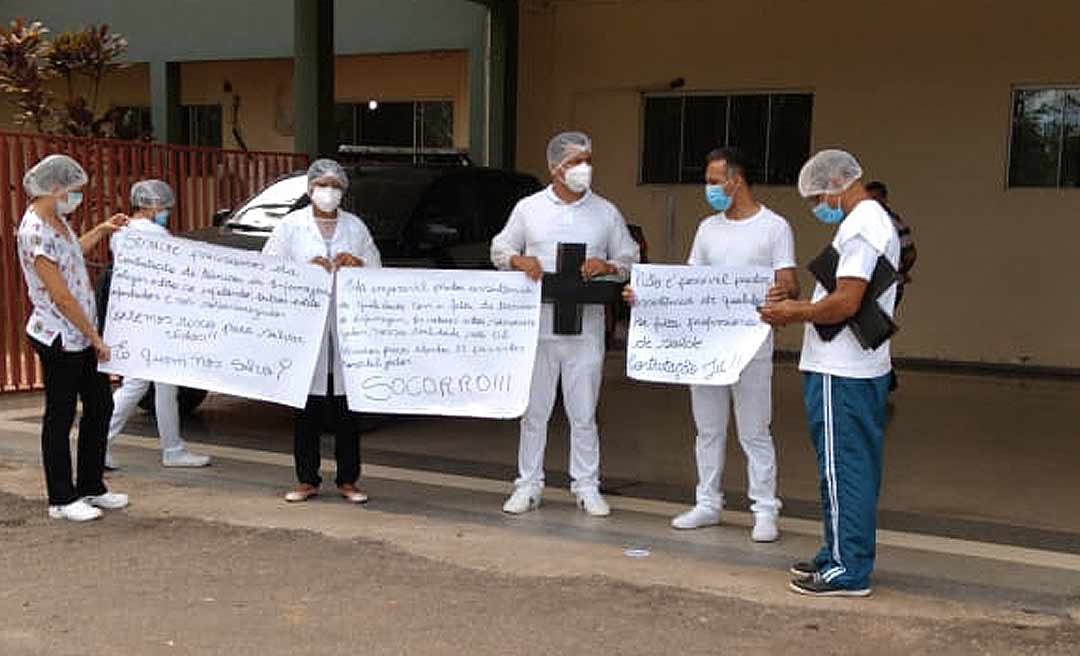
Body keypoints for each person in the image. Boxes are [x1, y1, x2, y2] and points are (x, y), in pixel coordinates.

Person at [623, 147, 799, 542]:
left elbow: (790, 281)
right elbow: (689, 284)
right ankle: (707, 503)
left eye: (714, 181)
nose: (709, 189)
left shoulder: (774, 227)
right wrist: (648, 295)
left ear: (736, 181)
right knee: (708, 428)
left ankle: (765, 509)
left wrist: (776, 288)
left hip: (752, 344)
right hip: (706, 345)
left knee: (755, 430)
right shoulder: (707, 228)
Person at [758, 149, 900, 597]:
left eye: (819, 195)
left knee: (846, 469)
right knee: (841, 468)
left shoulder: (863, 224)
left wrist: (792, 311)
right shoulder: (864, 221)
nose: (817, 205)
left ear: (840, 181)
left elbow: (846, 301)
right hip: (844, 367)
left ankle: (848, 567)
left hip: (844, 370)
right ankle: (837, 552)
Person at [491, 131, 640, 516]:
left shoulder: (606, 212)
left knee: (583, 410)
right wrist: (518, 261)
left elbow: (629, 256)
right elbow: (500, 248)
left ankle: (587, 485)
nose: (584, 168)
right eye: (575, 162)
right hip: (538, 325)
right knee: (535, 409)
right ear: (555, 167)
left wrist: (608, 266)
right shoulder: (529, 208)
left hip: (586, 327)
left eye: (588, 160)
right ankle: (527, 484)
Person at [16, 154, 130, 522]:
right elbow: (60, 295)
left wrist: (101, 230)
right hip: (60, 337)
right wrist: (94, 336)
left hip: (78, 335)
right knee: (61, 416)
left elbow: (71, 254)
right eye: (74, 191)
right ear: (54, 189)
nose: (77, 198)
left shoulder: (57, 220)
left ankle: (92, 486)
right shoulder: (34, 231)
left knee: (100, 406)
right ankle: (61, 499)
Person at [261, 159, 381, 504]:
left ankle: (348, 480)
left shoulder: (355, 227)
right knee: (307, 405)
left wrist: (356, 264)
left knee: (347, 405)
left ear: (343, 190)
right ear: (311, 188)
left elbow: (377, 268)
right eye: (323, 185)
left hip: (345, 324)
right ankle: (307, 479)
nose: (329, 192)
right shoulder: (291, 226)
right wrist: (303, 270)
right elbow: (270, 268)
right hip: (306, 324)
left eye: (335, 186)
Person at [103, 180, 212, 470]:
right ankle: (100, 442)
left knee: (161, 385)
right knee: (140, 384)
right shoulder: (156, 234)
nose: (166, 212)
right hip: (159, 320)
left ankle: (171, 448)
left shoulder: (121, 233)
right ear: (150, 206)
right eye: (164, 207)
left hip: (137, 318)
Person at [864, 181, 916, 305]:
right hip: (871, 285)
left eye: (875, 199)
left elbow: (910, 253)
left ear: (884, 199)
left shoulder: (891, 222)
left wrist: (897, 272)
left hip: (884, 286)